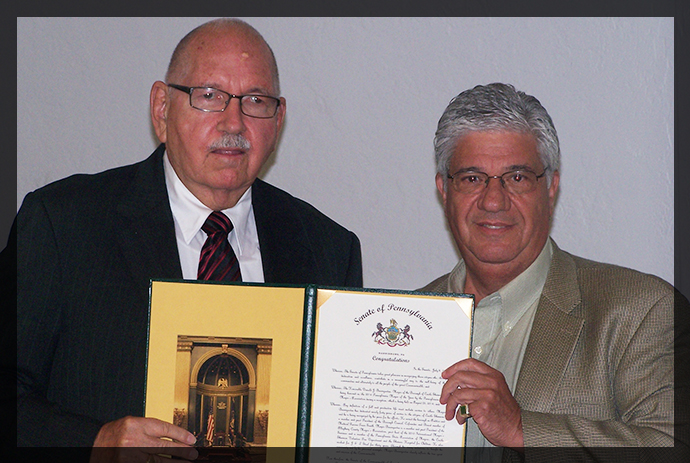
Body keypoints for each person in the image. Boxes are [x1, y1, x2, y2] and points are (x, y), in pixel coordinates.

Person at [14, 18, 362, 451]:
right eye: (210, 96)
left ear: (278, 119)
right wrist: (96, 442)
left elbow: (339, 421)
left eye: (255, 100)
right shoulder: (63, 224)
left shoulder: (328, 249)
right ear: (162, 107)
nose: (233, 122)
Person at [421, 83, 688, 461]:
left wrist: (521, 429)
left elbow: (673, 448)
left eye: (516, 177)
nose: (493, 201)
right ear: (444, 192)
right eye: (471, 178)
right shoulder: (402, 322)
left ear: (550, 189)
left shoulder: (640, 309)